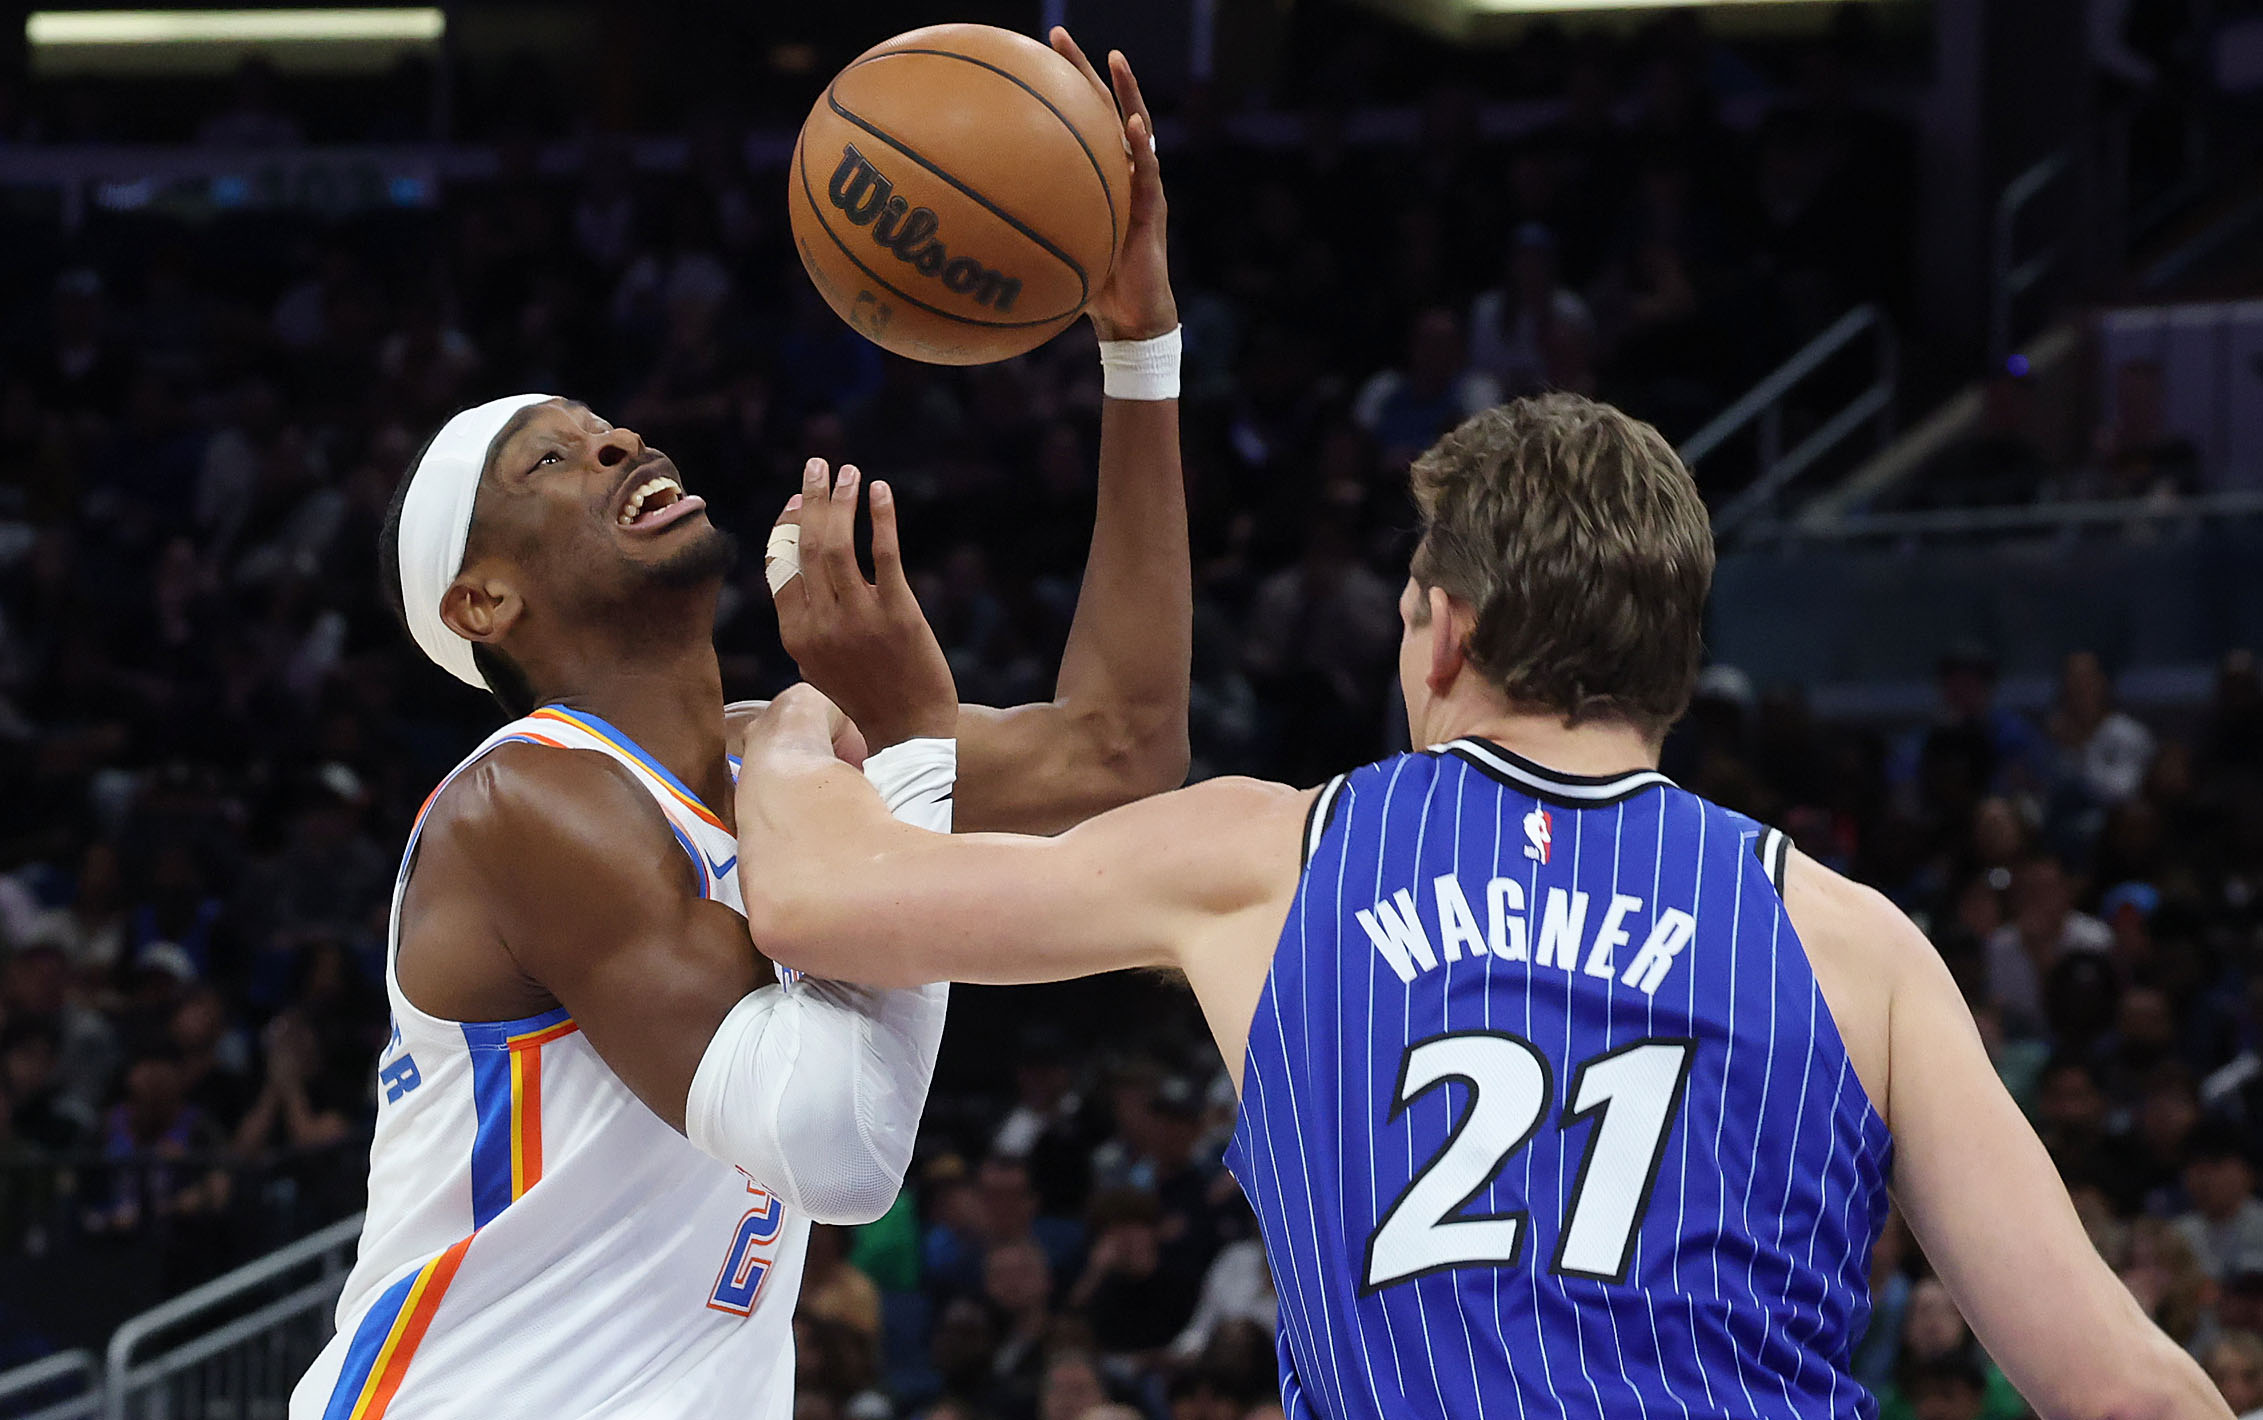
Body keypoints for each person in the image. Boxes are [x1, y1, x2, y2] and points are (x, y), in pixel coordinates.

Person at [737, 392, 2227, 1417]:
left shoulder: (1274, 859)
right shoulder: (1853, 942)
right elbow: (2120, 1390)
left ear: (1445, 636)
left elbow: (811, 898)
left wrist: (809, 722)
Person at [288, 33, 1188, 1420]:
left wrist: (1137, 344)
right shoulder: (525, 806)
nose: (616, 447)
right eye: (552, 458)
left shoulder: (785, 756)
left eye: (607, 431)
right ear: (484, 599)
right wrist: (905, 745)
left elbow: (1125, 751)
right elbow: (836, 1149)